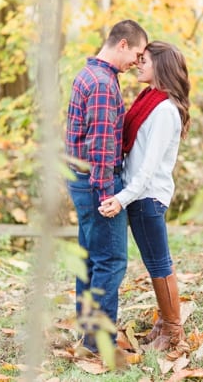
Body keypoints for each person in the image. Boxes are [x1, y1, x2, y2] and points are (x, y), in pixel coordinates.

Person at [99, 41, 191, 352]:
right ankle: (165, 322)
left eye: (145, 61)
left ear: (161, 67)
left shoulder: (164, 110)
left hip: (147, 197)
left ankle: (173, 332)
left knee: (158, 263)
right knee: (156, 262)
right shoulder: (149, 101)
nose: (139, 64)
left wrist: (122, 198)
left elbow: (148, 169)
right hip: (140, 195)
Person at [65, 19, 148, 353]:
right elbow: (99, 145)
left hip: (80, 180)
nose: (138, 63)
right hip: (98, 183)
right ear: (123, 44)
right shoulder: (102, 83)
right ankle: (99, 344)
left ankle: (88, 337)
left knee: (91, 260)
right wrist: (106, 195)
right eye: (138, 53)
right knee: (111, 261)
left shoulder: (88, 74)